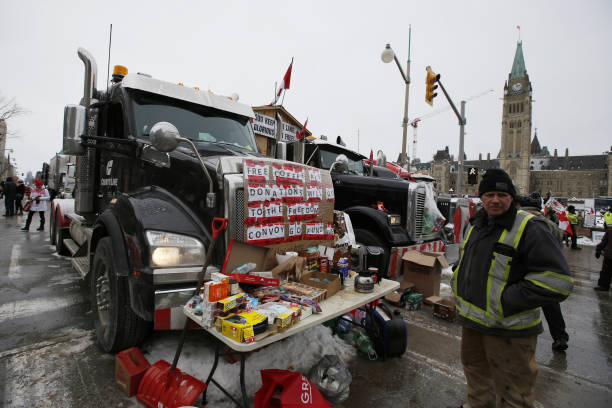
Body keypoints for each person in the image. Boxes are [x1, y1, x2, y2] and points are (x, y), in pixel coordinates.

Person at [452, 169, 572, 408]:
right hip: (473, 325)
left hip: (509, 332)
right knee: (477, 383)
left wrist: (505, 302)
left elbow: (557, 281)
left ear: (512, 198)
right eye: (489, 194)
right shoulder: (477, 225)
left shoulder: (531, 228)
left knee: (515, 395)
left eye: (501, 195)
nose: (495, 200)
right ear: (481, 197)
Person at [516, 194, 570, 352]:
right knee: (552, 306)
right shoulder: (550, 224)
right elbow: (559, 246)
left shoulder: (519, 222)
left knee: (521, 306)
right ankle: (560, 337)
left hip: (523, 272)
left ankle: (519, 340)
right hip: (548, 272)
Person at [594, 227, 611, 291]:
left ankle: (604, 286)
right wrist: (598, 249)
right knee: (606, 271)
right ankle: (604, 285)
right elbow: (604, 241)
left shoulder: (610, 230)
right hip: (609, 255)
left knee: (606, 271)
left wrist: (598, 249)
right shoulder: (610, 230)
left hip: (609, 255)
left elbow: (603, 242)